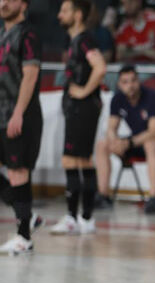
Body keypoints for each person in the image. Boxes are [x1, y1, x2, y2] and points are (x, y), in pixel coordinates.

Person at [50, 0, 106, 236]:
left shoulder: (84, 40)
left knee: (75, 160)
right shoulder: (74, 41)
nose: (59, 15)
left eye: (65, 10)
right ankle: (81, 217)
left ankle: (80, 217)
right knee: (78, 161)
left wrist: (83, 91)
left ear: (78, 14)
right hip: (77, 110)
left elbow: (100, 67)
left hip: (83, 109)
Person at [95, 65, 155, 214]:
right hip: (136, 142)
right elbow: (111, 128)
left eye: (133, 81)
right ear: (119, 84)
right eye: (125, 82)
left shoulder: (154, 98)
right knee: (102, 144)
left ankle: (153, 199)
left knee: (151, 144)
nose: (130, 85)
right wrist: (115, 141)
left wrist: (128, 142)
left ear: (138, 81)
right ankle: (103, 195)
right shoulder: (117, 98)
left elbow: (154, 132)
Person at [0, 0, 43, 255]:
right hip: (1, 112)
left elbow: (30, 74)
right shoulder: (3, 33)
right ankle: (28, 215)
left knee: (18, 171)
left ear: (23, 4)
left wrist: (18, 112)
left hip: (20, 114)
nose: (3, 3)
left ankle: (24, 236)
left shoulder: (28, 34)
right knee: (14, 174)